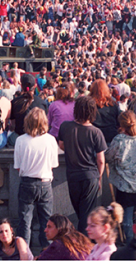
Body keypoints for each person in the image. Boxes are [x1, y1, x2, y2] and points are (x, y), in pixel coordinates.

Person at [58, 95, 107, 234]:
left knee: (80, 212)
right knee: (87, 215)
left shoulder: (65, 126)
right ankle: (84, 244)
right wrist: (99, 177)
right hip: (90, 175)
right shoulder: (96, 132)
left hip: (72, 175)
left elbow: (61, 145)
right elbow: (101, 160)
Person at [13, 107, 59, 250]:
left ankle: (24, 252)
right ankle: (47, 251)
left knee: (25, 221)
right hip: (45, 182)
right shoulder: (51, 140)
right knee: (47, 221)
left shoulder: (20, 140)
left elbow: (18, 166)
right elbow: (53, 165)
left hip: (27, 182)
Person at [106, 111, 136, 242]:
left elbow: (109, 157)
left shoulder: (119, 140)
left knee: (126, 213)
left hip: (124, 181)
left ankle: (130, 242)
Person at [89, 79, 121, 145]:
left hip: (94, 138)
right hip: (111, 137)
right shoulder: (113, 105)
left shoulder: (89, 105)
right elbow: (118, 122)